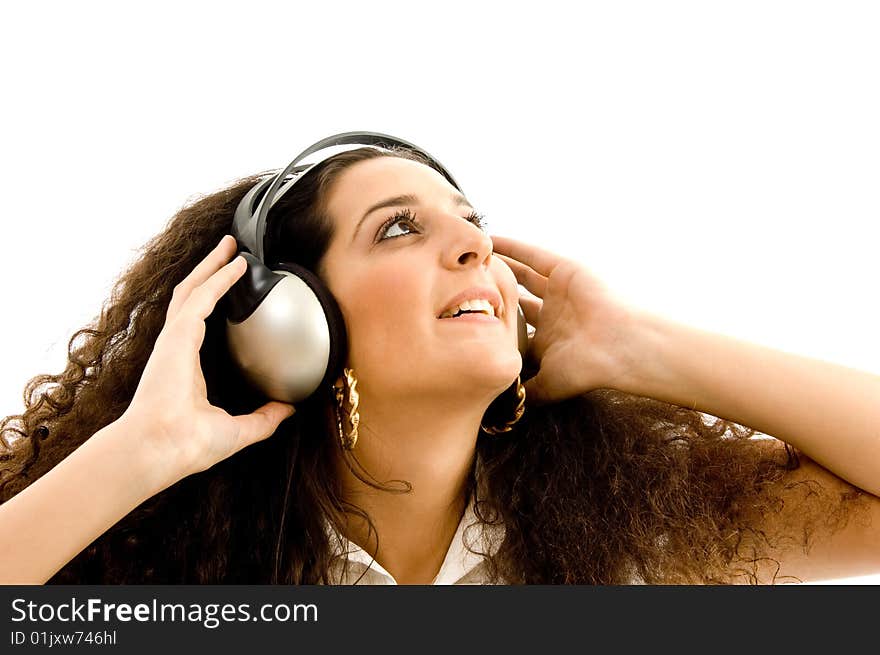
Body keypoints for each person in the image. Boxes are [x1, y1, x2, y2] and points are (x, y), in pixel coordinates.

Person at [1, 141, 878, 585]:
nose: (473, 243)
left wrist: (642, 348)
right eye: (398, 227)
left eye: (470, 220)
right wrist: (137, 455)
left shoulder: (630, 535)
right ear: (287, 325)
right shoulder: (162, 564)